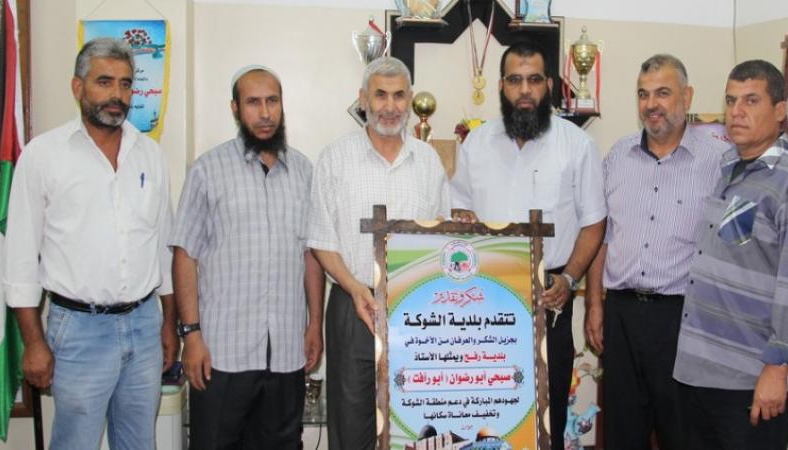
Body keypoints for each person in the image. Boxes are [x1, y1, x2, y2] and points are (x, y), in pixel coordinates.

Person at [3, 37, 178, 449]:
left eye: (125, 84)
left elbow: (162, 248)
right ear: (77, 87)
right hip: (79, 330)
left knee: (139, 443)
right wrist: (33, 342)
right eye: (104, 82)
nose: (117, 94)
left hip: (144, 326)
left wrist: (169, 324)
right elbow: (20, 259)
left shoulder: (149, 155)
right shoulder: (44, 156)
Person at [449, 41, 606, 449]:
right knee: (486, 418)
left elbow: (594, 222)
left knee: (545, 420)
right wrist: (463, 219)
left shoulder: (577, 145)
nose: (524, 90)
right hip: (485, 302)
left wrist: (569, 278)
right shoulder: (476, 144)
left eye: (533, 80)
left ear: (548, 85)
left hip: (550, 298)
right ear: (501, 86)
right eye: (515, 80)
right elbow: (459, 208)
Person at [673, 59, 788, 450]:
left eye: (751, 100)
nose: (736, 112)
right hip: (701, 374)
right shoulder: (729, 168)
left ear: (779, 110)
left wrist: (778, 369)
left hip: (751, 378)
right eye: (731, 101)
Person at [170, 65, 325, 450]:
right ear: (235, 109)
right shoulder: (208, 170)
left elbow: (311, 254)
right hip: (222, 352)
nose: (266, 112)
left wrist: (315, 324)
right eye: (253, 102)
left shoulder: (304, 171)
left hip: (286, 349)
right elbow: (185, 255)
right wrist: (191, 335)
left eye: (273, 101)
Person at [584, 54, 729, 450]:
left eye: (663, 93)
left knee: (681, 432)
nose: (651, 104)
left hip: (682, 318)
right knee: (622, 432)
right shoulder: (618, 155)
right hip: (621, 314)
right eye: (643, 94)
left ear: (687, 96)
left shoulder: (717, 162)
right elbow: (603, 236)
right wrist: (595, 304)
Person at [307, 56, 450, 450]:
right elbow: (320, 239)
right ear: (363, 99)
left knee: (414, 428)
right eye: (381, 95)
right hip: (353, 305)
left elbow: (442, 235)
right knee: (351, 425)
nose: (390, 106)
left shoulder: (428, 161)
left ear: (410, 99)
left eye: (399, 95)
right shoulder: (335, 158)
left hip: (417, 312)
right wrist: (355, 288)